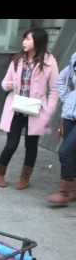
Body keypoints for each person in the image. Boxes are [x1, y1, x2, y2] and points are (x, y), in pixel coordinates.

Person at [0, 28, 59, 190]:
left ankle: (25, 178)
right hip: (16, 108)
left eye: (28, 39)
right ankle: (0, 174)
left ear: (38, 41)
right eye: (24, 39)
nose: (24, 42)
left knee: (31, 146)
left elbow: (54, 89)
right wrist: (10, 85)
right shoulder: (17, 59)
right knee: (11, 144)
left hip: (36, 111)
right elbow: (4, 83)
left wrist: (49, 110)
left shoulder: (49, 61)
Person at [47, 52, 76, 206]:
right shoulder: (75, 58)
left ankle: (64, 191)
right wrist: (69, 99)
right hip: (70, 115)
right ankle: (72, 190)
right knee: (70, 153)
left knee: (65, 151)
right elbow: (61, 80)